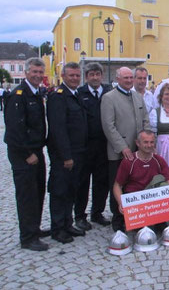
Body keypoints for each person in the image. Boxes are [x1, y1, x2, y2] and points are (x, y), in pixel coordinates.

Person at [4, 58, 49, 251]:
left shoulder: (35, 93)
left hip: (36, 151)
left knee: (38, 191)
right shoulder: (18, 95)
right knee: (27, 194)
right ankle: (28, 237)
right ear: (26, 72)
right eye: (34, 72)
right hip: (24, 153)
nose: (38, 75)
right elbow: (15, 129)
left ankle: (34, 228)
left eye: (40, 72)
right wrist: (27, 153)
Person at [101, 66, 150, 232]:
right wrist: (122, 147)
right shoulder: (109, 98)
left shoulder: (137, 97)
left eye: (131, 78)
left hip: (137, 150)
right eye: (126, 78)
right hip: (118, 152)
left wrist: (146, 142)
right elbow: (108, 126)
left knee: (134, 185)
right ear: (118, 78)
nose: (129, 81)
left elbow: (145, 120)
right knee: (118, 184)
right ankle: (117, 217)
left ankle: (133, 216)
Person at [46, 62, 88, 244]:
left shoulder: (75, 95)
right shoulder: (58, 97)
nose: (75, 78)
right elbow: (58, 130)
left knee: (72, 189)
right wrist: (66, 156)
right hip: (65, 156)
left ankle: (67, 223)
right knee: (60, 191)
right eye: (71, 75)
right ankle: (57, 228)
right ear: (63, 76)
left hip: (78, 153)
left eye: (77, 75)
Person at [74, 63, 111, 232]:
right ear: (86, 76)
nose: (95, 77)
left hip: (104, 144)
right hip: (85, 145)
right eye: (91, 74)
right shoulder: (80, 94)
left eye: (97, 74)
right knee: (82, 182)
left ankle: (97, 212)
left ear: (101, 76)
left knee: (101, 181)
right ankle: (80, 215)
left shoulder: (109, 92)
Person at [113, 130, 169, 214]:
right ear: (137, 143)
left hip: (154, 202)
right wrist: (121, 203)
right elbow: (117, 185)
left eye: (152, 142)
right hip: (135, 202)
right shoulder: (128, 161)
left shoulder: (159, 160)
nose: (149, 145)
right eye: (145, 142)